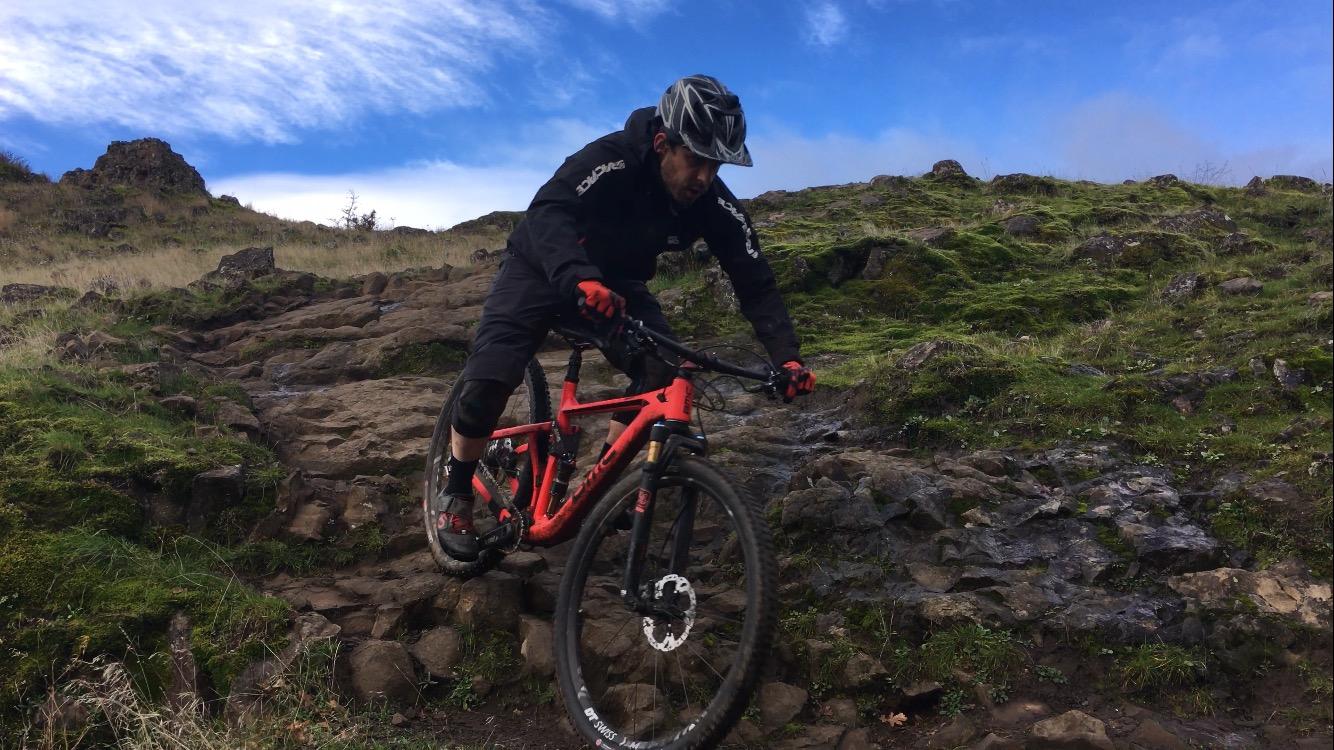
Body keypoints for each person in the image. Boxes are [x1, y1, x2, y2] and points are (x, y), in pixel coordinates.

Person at [438, 74, 817, 561]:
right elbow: (549, 210)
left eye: (715, 164)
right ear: (662, 144)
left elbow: (755, 281)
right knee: (491, 378)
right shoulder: (608, 159)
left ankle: (600, 487)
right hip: (540, 267)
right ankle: (457, 489)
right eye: (695, 159)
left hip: (617, 286)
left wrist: (787, 359)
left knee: (662, 368)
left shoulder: (712, 202)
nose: (704, 176)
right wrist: (578, 277)